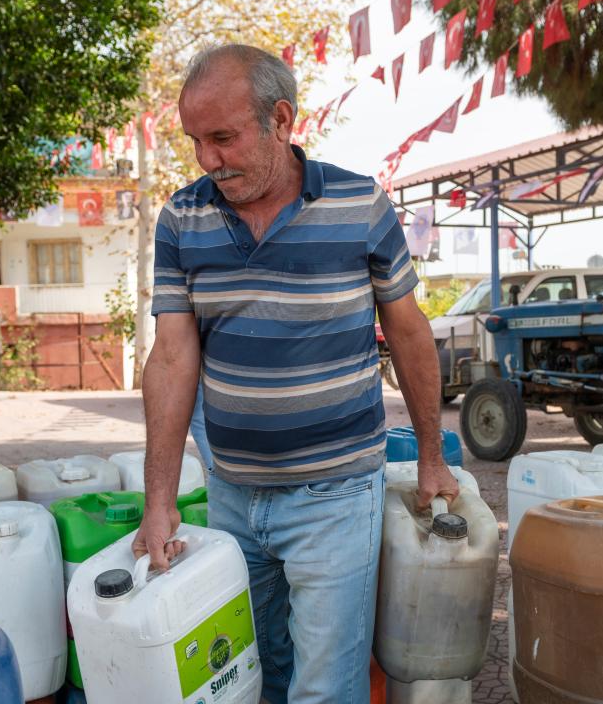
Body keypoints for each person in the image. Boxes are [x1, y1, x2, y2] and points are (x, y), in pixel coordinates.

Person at [132, 44, 456, 703]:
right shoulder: (181, 219)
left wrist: (431, 458)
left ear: (281, 120)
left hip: (335, 498)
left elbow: (409, 333)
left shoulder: (359, 204)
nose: (208, 160)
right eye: (196, 141)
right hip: (232, 496)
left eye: (222, 138)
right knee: (252, 673)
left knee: (324, 690)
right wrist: (160, 502)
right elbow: (171, 357)